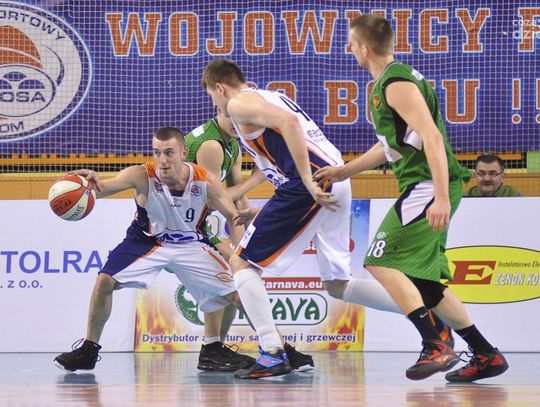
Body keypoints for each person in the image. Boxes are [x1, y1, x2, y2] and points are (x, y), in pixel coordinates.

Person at [201, 59, 453, 379]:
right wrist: (268, 207)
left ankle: (272, 352)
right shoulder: (269, 95)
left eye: (212, 95)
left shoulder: (239, 102)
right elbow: (289, 147)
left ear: (220, 88)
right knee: (338, 284)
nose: (215, 103)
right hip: (333, 181)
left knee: (241, 264)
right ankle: (425, 316)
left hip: (312, 185)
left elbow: (290, 124)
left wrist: (307, 181)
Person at [315, 14, 509, 382]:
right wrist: (344, 171)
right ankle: (486, 354)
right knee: (425, 284)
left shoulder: (396, 83)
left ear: (364, 48)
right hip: (424, 185)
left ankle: (435, 343)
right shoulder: (388, 83)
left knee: (379, 260)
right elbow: (391, 146)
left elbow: (432, 137)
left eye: (351, 44)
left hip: (427, 185)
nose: (348, 49)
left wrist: (441, 197)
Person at [53, 127, 253, 373]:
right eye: (157, 152)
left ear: (183, 153)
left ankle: (261, 349)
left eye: (169, 152)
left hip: (190, 242)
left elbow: (233, 216)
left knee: (237, 291)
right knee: (105, 280)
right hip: (146, 241)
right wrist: (88, 183)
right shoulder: (141, 175)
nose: (162, 159)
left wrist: (238, 256)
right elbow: (103, 188)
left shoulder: (204, 180)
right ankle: (88, 350)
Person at [184, 112, 315, 371]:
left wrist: (244, 247)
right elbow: (214, 200)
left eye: (241, 119)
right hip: (179, 228)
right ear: (219, 109)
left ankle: (214, 348)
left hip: (196, 223)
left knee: (234, 275)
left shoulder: (232, 143)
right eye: (232, 117)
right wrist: (256, 178)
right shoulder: (211, 146)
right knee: (235, 289)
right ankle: (278, 348)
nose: (238, 124)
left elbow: (237, 202)